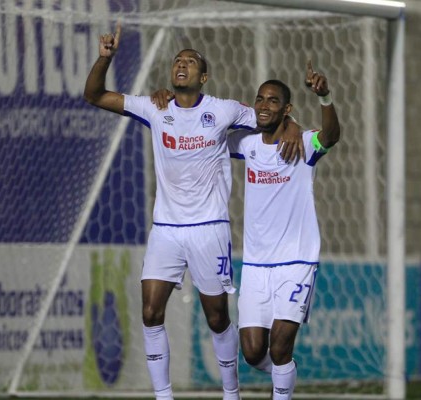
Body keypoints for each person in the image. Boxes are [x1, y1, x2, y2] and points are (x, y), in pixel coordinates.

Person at [83, 22, 304, 400]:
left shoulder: (224, 110)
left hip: (209, 229)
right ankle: (164, 396)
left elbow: (270, 117)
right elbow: (95, 95)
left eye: (190, 62)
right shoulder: (156, 108)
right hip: (166, 229)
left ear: (204, 76)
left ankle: (230, 394)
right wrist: (105, 59)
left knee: (217, 318)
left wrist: (294, 125)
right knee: (151, 312)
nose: (181, 65)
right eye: (177, 61)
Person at [227, 62, 341, 400]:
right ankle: (285, 375)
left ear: (287, 108)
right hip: (256, 266)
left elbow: (331, 136)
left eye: (273, 101)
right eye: (260, 99)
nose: (264, 106)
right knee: (251, 352)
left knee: (279, 347)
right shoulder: (246, 145)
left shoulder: (303, 145)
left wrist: (324, 97)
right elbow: (210, 133)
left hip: (296, 261)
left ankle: (283, 386)